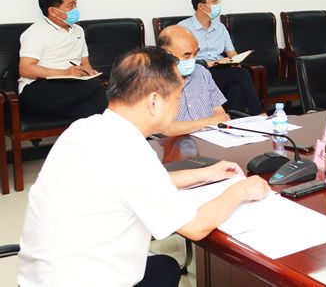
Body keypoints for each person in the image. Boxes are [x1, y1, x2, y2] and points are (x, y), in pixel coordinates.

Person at [18, 47, 270, 287]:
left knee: (164, 267)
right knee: (164, 269)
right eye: (177, 98)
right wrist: (240, 190)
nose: (178, 106)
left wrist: (206, 173)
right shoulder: (129, 150)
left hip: (42, 278)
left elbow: (135, 182)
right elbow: (195, 227)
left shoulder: (85, 128)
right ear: (154, 101)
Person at [17, 0, 107, 122]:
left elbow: (85, 63)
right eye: (71, 6)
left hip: (69, 87)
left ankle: (108, 132)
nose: (75, 9)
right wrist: (64, 73)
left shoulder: (78, 30)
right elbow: (25, 69)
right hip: (37, 89)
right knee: (94, 87)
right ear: (53, 11)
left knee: (89, 111)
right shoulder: (36, 32)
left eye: (75, 4)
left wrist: (88, 72)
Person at [178, 0, 262, 115]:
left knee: (236, 89)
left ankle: (236, 123)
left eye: (218, 1)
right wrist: (211, 63)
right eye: (214, 1)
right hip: (198, 73)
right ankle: (259, 114)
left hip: (221, 71)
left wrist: (236, 60)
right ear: (201, 6)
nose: (218, 5)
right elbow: (180, 59)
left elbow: (232, 53)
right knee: (242, 74)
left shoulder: (220, 28)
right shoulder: (183, 28)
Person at [157, 25, 230, 136]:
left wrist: (212, 121)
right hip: (178, 143)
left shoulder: (202, 72)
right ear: (166, 55)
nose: (192, 60)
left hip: (213, 138)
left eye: (195, 54)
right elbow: (165, 129)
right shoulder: (152, 81)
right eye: (186, 56)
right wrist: (208, 122)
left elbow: (221, 115)